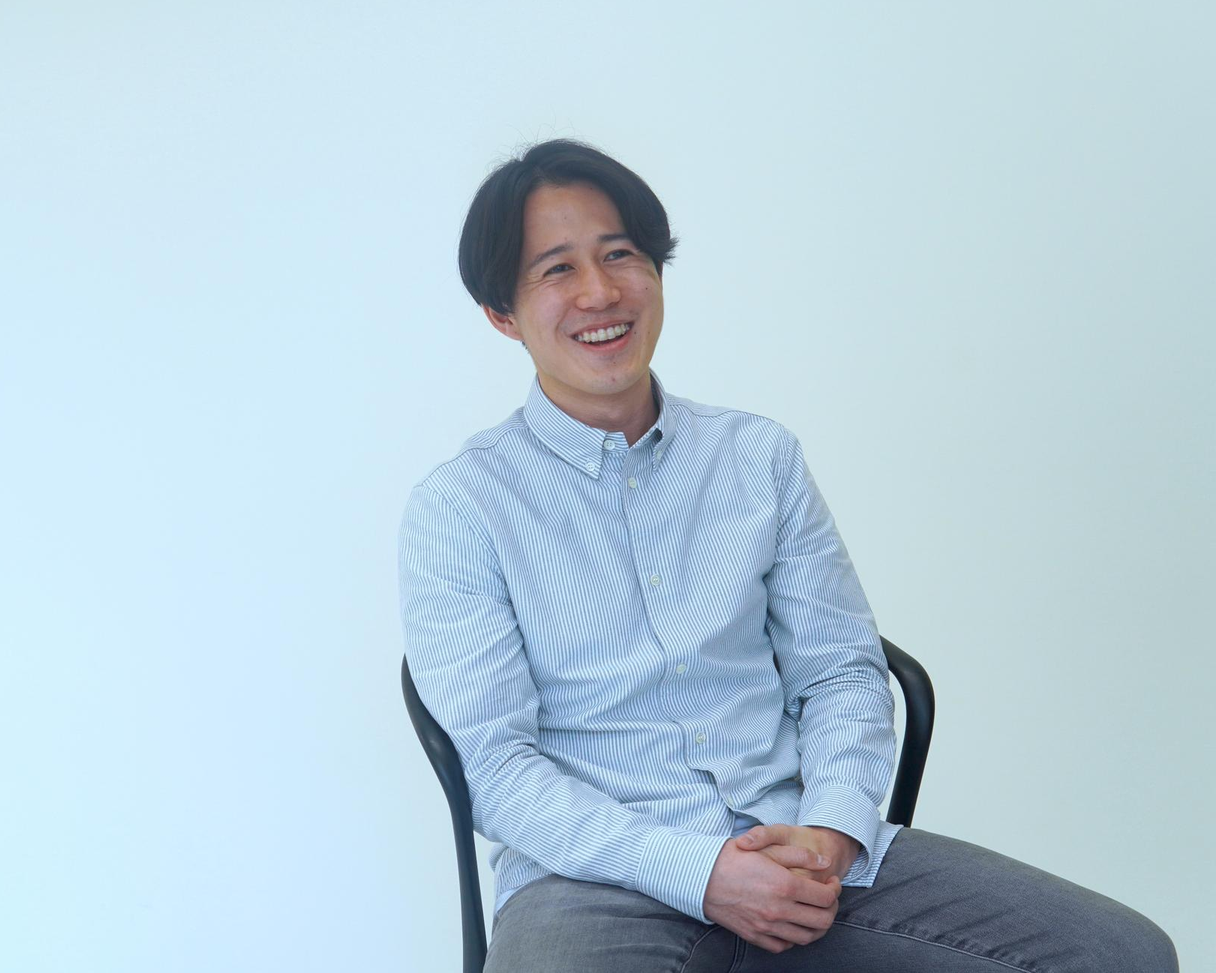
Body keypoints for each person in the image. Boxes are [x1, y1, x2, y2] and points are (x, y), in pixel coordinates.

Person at [398, 140, 1177, 972]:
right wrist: (702, 872)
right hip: (594, 880)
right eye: (557, 268)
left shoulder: (756, 458)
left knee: (1122, 954)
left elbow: (841, 670)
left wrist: (831, 830)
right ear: (502, 312)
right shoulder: (462, 508)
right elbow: (497, 770)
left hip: (798, 844)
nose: (600, 291)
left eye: (620, 254)